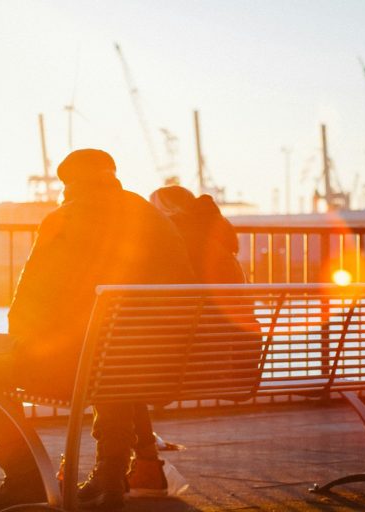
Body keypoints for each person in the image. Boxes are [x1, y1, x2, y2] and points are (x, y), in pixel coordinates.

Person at [0, 149, 195, 512]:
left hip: (87, 366)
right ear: (112, 176)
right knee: (117, 354)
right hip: (158, 365)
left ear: (68, 183)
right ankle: (109, 477)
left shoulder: (64, 217)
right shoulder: (153, 217)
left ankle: (24, 477)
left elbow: (26, 308)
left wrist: (30, 342)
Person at [124, 185, 248, 498]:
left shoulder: (175, 246)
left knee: (115, 371)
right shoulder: (221, 247)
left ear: (165, 213)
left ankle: (139, 465)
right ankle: (140, 465)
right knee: (118, 369)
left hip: (188, 364)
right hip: (229, 365)